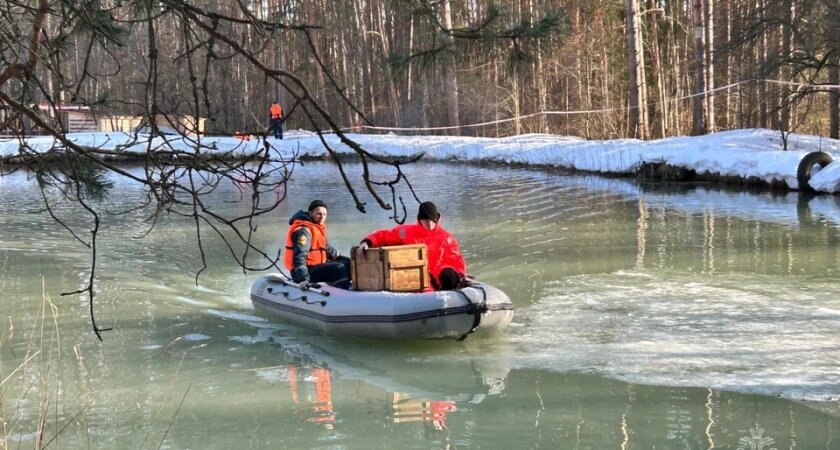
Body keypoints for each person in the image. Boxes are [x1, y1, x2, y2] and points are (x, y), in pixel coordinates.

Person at [356, 201, 467, 290]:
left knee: (449, 274)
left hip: (436, 274)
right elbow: (384, 235)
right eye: (426, 220)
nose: (429, 223)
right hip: (413, 275)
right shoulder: (406, 232)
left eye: (432, 220)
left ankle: (449, 302)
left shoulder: (446, 237)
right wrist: (367, 242)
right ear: (420, 219)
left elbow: (455, 259)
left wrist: (460, 274)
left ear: (437, 219)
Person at [284, 200, 350, 288]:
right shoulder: (304, 231)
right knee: (339, 267)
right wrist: (303, 279)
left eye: (324, 214)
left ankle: (347, 286)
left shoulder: (317, 228)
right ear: (310, 213)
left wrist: (352, 260)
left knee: (348, 264)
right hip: (305, 271)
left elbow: (330, 251)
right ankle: (345, 290)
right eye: (318, 214)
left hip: (317, 267)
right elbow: (299, 256)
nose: (322, 217)